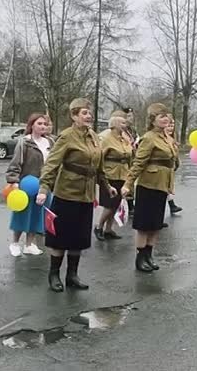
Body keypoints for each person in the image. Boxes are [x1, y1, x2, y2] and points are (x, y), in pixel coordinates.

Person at [36, 98, 117, 292]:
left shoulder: (95, 137)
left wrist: (107, 186)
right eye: (84, 113)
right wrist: (43, 189)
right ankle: (54, 274)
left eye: (90, 113)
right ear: (74, 116)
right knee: (60, 237)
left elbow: (99, 167)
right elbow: (52, 164)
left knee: (79, 238)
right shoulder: (66, 136)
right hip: (67, 193)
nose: (89, 116)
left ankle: (72, 275)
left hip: (86, 195)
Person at [121, 103, 178, 272]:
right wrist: (128, 184)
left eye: (167, 116)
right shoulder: (148, 137)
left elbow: (172, 160)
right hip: (149, 185)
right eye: (161, 116)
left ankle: (149, 255)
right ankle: (140, 258)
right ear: (153, 120)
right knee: (144, 225)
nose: (165, 119)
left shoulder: (167, 137)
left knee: (156, 224)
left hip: (162, 185)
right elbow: (138, 163)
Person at [5, 113, 55, 257]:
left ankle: (29, 244)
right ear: (32, 125)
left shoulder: (50, 143)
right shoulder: (24, 142)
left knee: (38, 214)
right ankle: (15, 243)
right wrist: (14, 181)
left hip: (44, 186)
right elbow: (15, 164)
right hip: (26, 185)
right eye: (39, 123)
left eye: (45, 124)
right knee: (22, 214)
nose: (43, 126)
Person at [94, 110, 132, 241]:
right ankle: (99, 226)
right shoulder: (105, 138)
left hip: (123, 174)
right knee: (110, 204)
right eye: (122, 122)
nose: (125, 124)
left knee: (117, 204)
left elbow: (130, 154)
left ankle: (109, 229)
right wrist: (99, 175)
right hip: (110, 174)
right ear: (114, 124)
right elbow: (99, 157)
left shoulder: (125, 138)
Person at [164, 114, 183, 215]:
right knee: (164, 189)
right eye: (169, 125)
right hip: (162, 169)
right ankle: (171, 206)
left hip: (170, 168)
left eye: (172, 125)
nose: (171, 128)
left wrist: (177, 162)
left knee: (168, 188)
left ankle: (172, 206)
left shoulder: (173, 138)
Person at [122, 107, 138, 218]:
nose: (130, 118)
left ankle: (131, 207)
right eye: (128, 116)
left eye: (131, 116)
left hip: (132, 158)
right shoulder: (121, 130)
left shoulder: (132, 130)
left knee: (131, 183)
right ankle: (129, 207)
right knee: (125, 183)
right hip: (123, 159)